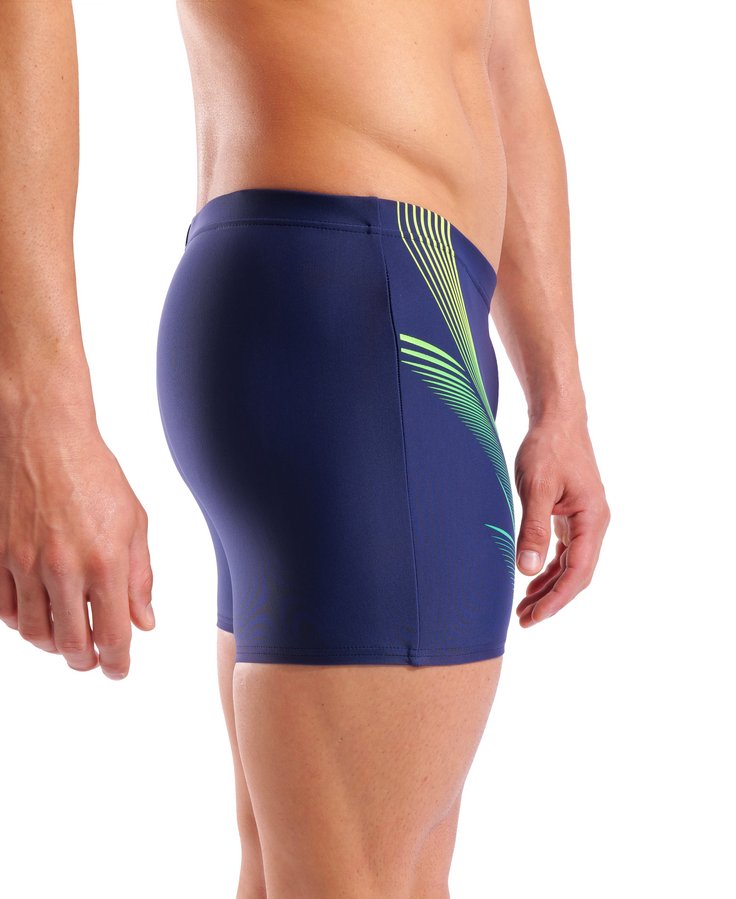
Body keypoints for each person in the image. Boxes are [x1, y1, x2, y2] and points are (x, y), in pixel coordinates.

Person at [0, 1, 610, 896]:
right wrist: (37, 405)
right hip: (362, 315)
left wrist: (560, 396)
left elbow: (500, 55)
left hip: (390, 309)